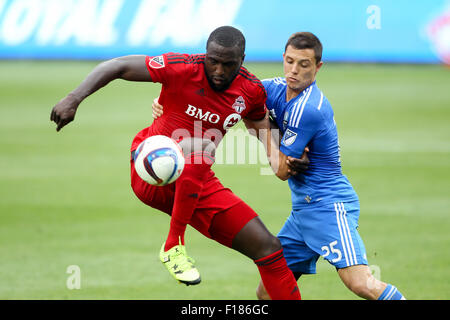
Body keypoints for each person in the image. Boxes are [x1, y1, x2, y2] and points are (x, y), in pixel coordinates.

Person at [50, 26, 304, 300]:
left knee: (268, 248)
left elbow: (258, 122)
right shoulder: (181, 67)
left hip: (196, 184)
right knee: (201, 148)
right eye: (213, 61)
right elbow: (119, 65)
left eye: (228, 64)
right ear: (205, 54)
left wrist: (285, 152)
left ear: (241, 60)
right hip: (151, 170)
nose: (218, 70)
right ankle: (174, 245)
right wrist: (74, 98)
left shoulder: (251, 90)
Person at [153, 32, 406, 300]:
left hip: (328, 206)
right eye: (289, 61)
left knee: (362, 284)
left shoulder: (309, 108)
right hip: (302, 213)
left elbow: (281, 170)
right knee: (267, 293)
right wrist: (165, 104)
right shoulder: (272, 88)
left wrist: (263, 130)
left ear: (318, 67)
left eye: (304, 64)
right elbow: (236, 96)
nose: (294, 71)